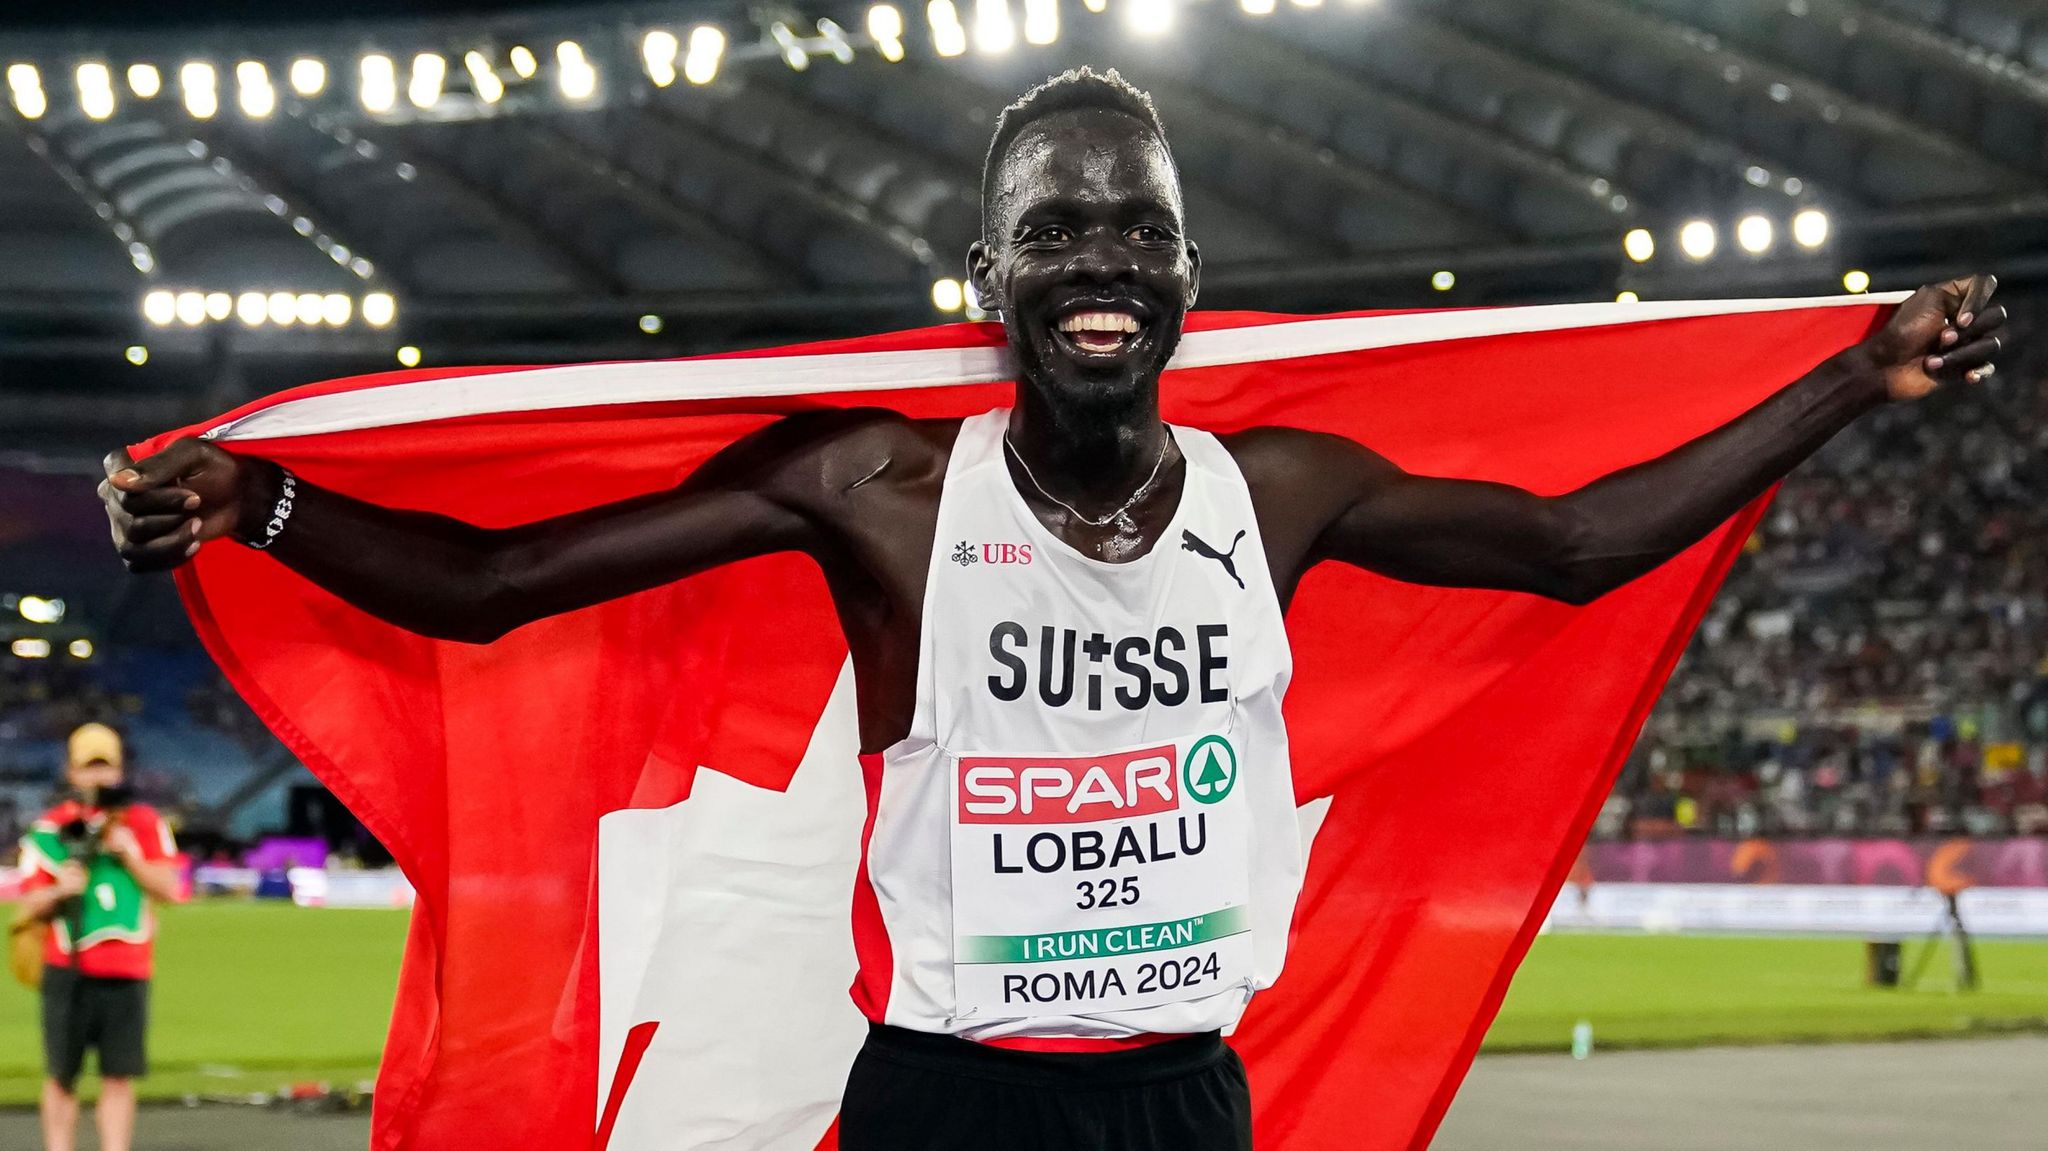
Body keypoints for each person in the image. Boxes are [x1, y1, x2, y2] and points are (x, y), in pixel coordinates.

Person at [99, 68, 2006, 1150]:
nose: (1099, 264)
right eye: (1057, 234)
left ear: (1188, 272)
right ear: (986, 276)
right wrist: (265, 500)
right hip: (952, 1109)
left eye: (1134, 235)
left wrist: (1850, 383)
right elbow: (497, 587)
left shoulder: (1281, 494)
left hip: (1184, 1102)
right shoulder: (876, 491)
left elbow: (1579, 545)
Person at [14, 724, 180, 1151]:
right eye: (90, 768)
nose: (99, 778)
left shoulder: (144, 824)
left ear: (120, 771)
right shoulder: (49, 830)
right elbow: (28, 904)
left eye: (106, 767)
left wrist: (131, 856)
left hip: (127, 967)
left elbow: (172, 889)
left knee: (119, 1076)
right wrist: (59, 890)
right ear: (72, 773)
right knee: (61, 1075)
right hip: (67, 967)